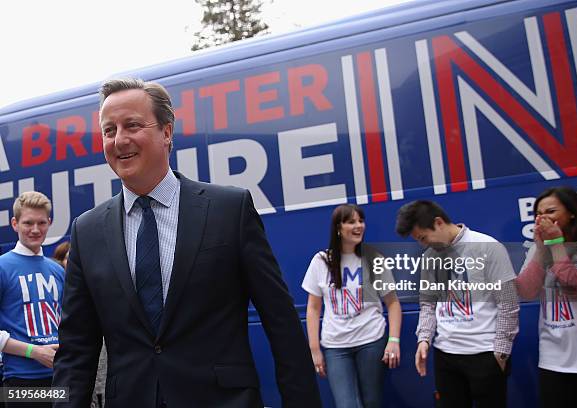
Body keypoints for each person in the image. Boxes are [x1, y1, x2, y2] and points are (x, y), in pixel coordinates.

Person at [52, 78, 320, 408]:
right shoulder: (87, 230)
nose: (119, 140)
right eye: (109, 130)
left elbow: (281, 324)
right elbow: (76, 348)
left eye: (132, 125)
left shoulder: (229, 210)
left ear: (167, 132)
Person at [395, 200, 519, 408]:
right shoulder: (429, 258)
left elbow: (508, 302)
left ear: (439, 222)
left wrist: (501, 352)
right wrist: (424, 339)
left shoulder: (488, 247)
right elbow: (428, 304)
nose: (423, 244)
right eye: (418, 240)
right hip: (446, 356)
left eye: (424, 237)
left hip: (486, 355)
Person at [515, 187, 577, 407]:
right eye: (538, 214)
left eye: (550, 211)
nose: (543, 219)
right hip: (554, 359)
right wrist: (541, 249)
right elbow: (527, 291)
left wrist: (555, 245)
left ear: (572, 213)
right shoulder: (537, 249)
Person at [302, 204, 401, 408]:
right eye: (351, 222)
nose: (359, 226)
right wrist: (314, 349)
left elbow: (392, 303)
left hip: (372, 341)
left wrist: (394, 340)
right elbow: (313, 308)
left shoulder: (374, 259)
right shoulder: (321, 261)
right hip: (336, 346)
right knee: (347, 405)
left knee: (372, 402)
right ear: (338, 228)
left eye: (361, 221)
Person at [0, 191, 64, 408]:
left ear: (50, 223)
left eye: (41, 223)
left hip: (60, 376)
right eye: (28, 223)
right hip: (20, 381)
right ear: (15, 223)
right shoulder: (2, 267)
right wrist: (33, 351)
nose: (35, 230)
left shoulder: (57, 271)